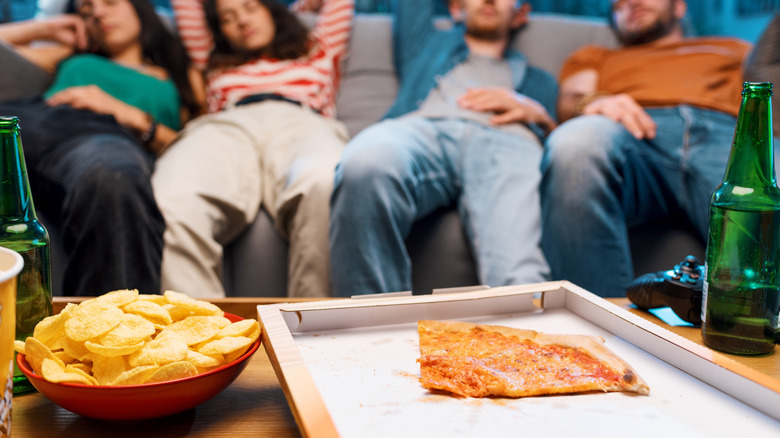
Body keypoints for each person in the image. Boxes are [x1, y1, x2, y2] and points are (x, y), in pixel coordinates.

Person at [328, 0, 557, 297]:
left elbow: (556, 148)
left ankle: (527, 339)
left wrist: (538, 113)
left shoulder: (541, 81)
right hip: (422, 130)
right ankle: (371, 330)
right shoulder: (425, 44)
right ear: (455, 8)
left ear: (521, 14)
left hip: (507, 143)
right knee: (364, 164)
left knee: (519, 273)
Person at [539, 0, 752, 297]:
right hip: (633, 135)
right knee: (575, 142)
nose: (632, 3)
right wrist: (594, 103)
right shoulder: (596, 56)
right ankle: (594, 335)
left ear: (679, 7)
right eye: (619, 4)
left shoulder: (733, 48)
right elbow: (570, 99)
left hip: (730, 137)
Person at [0, 0, 203, 296]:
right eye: (86, 10)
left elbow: (188, 148)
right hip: (27, 120)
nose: (98, 13)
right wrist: (49, 28)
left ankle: (106, 335)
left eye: (109, 2)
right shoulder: (71, 56)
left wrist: (124, 112)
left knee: (113, 179)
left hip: (101, 138)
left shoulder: (179, 76)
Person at [153, 0, 354, 298]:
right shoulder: (211, 56)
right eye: (228, 17)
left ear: (271, 10)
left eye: (249, 7)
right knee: (175, 193)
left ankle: (311, 330)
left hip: (302, 122)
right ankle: (198, 334)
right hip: (226, 124)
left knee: (324, 181)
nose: (242, 21)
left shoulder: (319, 48)